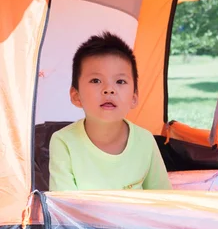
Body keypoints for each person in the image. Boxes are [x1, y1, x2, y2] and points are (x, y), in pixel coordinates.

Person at [49, 32, 172, 191]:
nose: (109, 89)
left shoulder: (145, 140)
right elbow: (63, 208)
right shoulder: (63, 142)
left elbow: (163, 199)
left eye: (120, 81)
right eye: (96, 81)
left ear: (134, 97)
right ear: (76, 96)